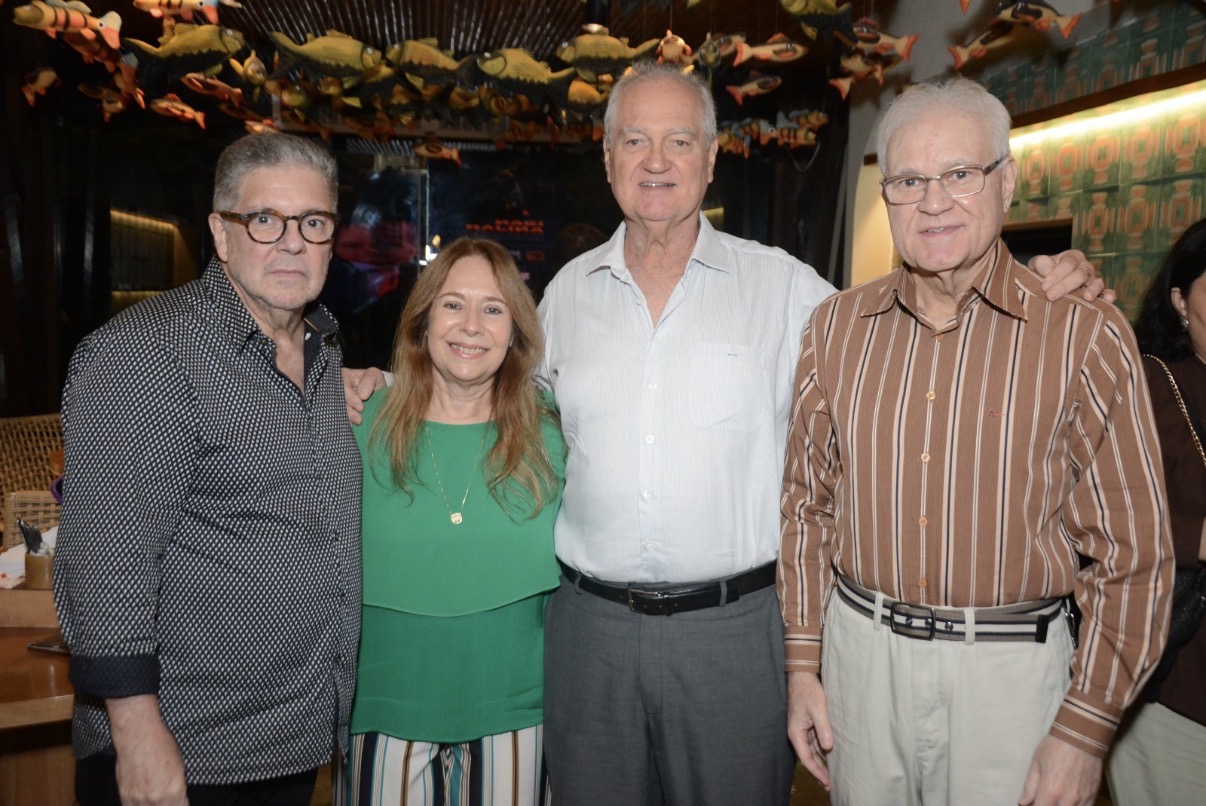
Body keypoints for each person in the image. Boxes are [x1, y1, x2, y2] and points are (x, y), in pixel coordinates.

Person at [346, 63, 1106, 805]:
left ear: (711, 160)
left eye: (679, 141)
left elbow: (907, 330)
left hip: (735, 634)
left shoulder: (785, 289)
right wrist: (382, 384)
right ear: (608, 159)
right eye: (634, 140)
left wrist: (1030, 282)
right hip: (588, 635)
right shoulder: (567, 295)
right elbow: (488, 392)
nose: (655, 161)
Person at [779, 75, 1173, 806]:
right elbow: (807, 505)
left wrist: (1085, 730)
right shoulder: (833, 328)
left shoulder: (1083, 335)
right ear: (885, 194)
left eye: (960, 173)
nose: (934, 201)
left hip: (1012, 679)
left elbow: (1136, 554)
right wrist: (804, 663)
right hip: (861, 665)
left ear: (1007, 181)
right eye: (908, 180)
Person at [53, 132, 361, 806]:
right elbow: (106, 560)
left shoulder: (322, 354)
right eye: (264, 220)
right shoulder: (145, 354)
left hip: (292, 741)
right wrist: (136, 735)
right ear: (222, 235)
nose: (291, 242)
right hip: (187, 753)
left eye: (312, 223)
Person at [345, 237, 564, 806]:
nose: (471, 325)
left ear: (515, 331)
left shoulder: (554, 434)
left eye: (493, 309)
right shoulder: (357, 424)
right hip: (383, 708)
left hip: (517, 711)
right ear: (421, 320)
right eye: (452, 304)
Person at [1106, 220, 1206, 804]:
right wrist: (1197, 536)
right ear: (1178, 300)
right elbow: (1099, 520)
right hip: (1175, 684)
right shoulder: (1147, 384)